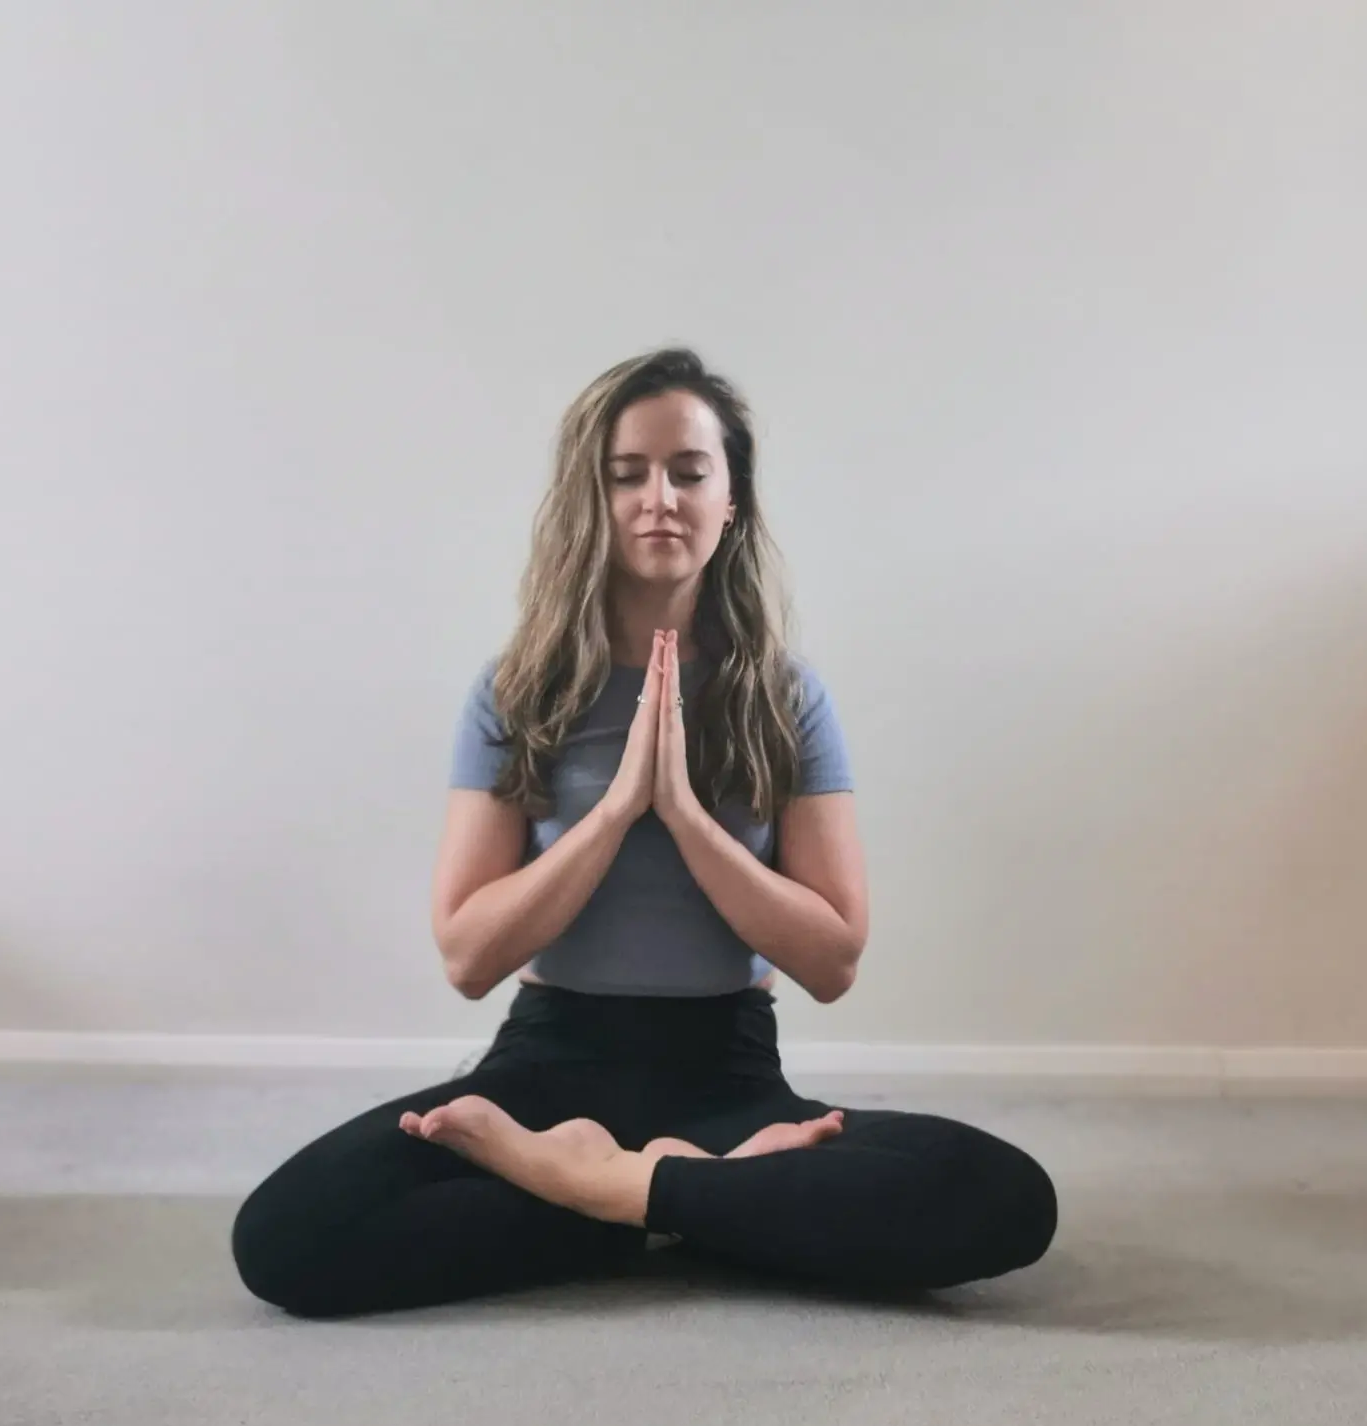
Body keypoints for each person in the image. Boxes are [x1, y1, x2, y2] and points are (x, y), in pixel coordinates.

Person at [231, 348, 1057, 1317]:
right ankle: (696, 1200)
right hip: (546, 1071)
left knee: (1005, 1196)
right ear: (593, 496)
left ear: (731, 499)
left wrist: (686, 816)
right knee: (286, 1235)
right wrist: (618, 809)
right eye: (628, 474)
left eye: (689, 472)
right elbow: (468, 955)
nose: (659, 498)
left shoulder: (787, 698)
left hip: (728, 1080)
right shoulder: (517, 693)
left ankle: (600, 1190)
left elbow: (832, 959)